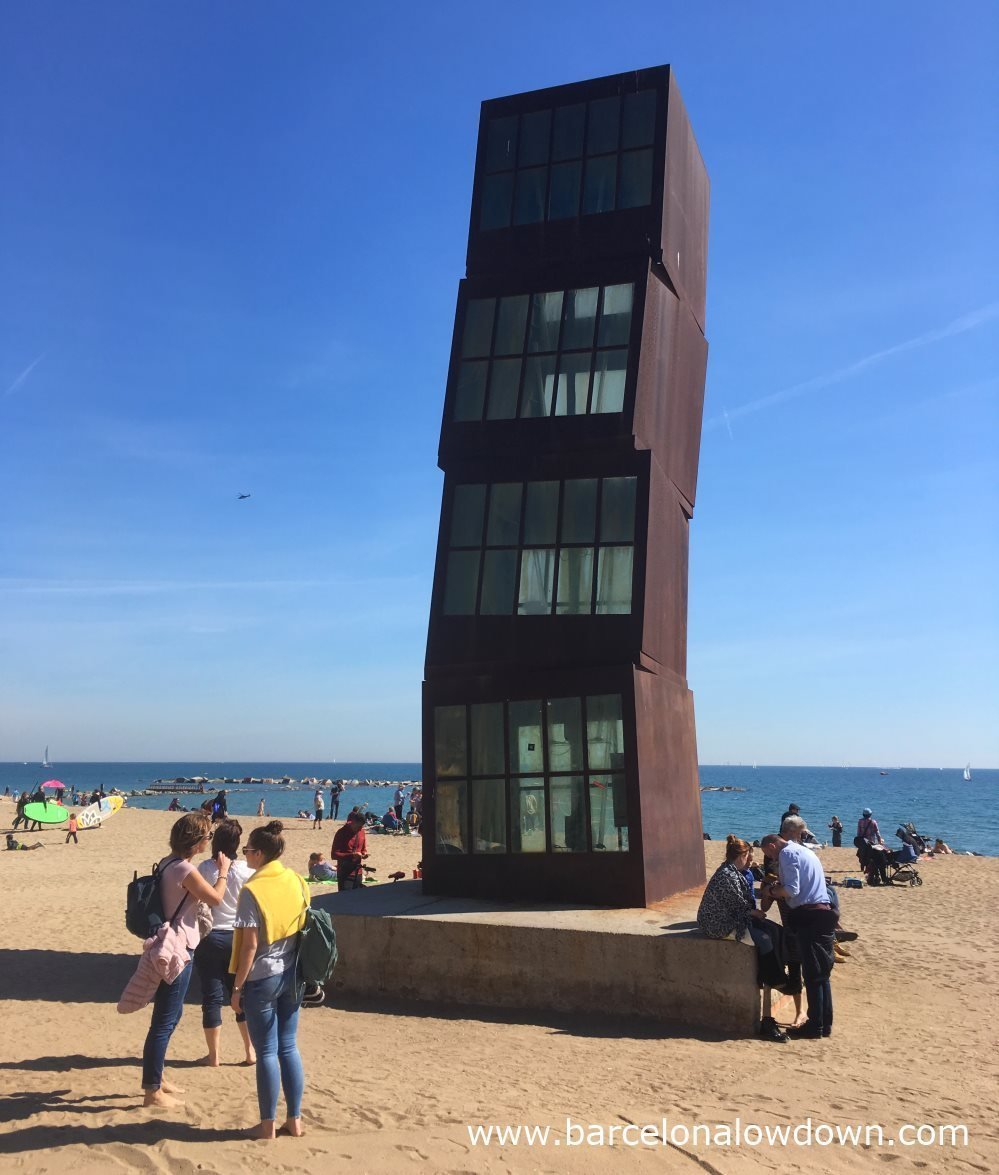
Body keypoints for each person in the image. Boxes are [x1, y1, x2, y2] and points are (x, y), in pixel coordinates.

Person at [140, 812, 234, 1106]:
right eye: (206, 837)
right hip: (178, 947)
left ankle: (158, 1077)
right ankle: (152, 1090)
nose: (209, 840)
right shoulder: (184, 870)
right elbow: (216, 899)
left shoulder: (169, 863)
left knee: (171, 1015)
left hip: (173, 943)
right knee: (165, 1020)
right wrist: (224, 872)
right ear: (195, 842)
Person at [230, 821, 309, 1140]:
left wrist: (237, 987)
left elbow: (249, 945)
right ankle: (295, 1119)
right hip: (292, 974)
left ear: (259, 854)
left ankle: (267, 1126)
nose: (245, 855)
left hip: (262, 978)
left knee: (266, 1052)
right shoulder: (297, 880)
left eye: (247, 850)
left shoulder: (252, 890)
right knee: (288, 1047)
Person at [696, 835, 789, 1042]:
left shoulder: (735, 872)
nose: (750, 861)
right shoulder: (726, 876)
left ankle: (777, 973)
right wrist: (755, 913)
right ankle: (774, 978)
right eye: (748, 856)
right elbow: (739, 905)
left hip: (734, 916)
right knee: (764, 938)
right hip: (719, 924)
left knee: (775, 931)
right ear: (740, 855)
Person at [761, 821, 837, 1039]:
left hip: (809, 916)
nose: (772, 860)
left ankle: (814, 1026)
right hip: (823, 914)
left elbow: (792, 890)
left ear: (773, 846)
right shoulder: (805, 851)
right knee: (822, 975)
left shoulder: (787, 854)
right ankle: (824, 1024)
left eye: (769, 854)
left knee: (813, 975)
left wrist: (771, 890)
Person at [193, 818, 255, 1067]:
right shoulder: (247, 872)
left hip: (210, 936)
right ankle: (250, 1052)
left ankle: (214, 1055)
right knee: (240, 995)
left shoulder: (204, 868)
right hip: (238, 936)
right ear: (238, 843)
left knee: (211, 997)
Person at [330, 810, 368, 891]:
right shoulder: (341, 833)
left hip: (358, 872)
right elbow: (334, 855)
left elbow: (363, 849)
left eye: (361, 826)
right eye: (358, 826)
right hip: (345, 872)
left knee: (358, 899)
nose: (360, 829)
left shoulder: (361, 832)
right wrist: (352, 855)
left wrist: (364, 854)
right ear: (353, 822)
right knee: (345, 899)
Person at [856, 807, 889, 885]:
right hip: (871, 844)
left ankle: (870, 874)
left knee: (866, 858)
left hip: (863, 844)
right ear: (870, 814)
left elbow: (858, 833)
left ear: (863, 814)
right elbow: (877, 833)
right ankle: (876, 876)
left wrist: (860, 843)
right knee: (875, 859)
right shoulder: (873, 822)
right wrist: (880, 842)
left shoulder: (860, 821)